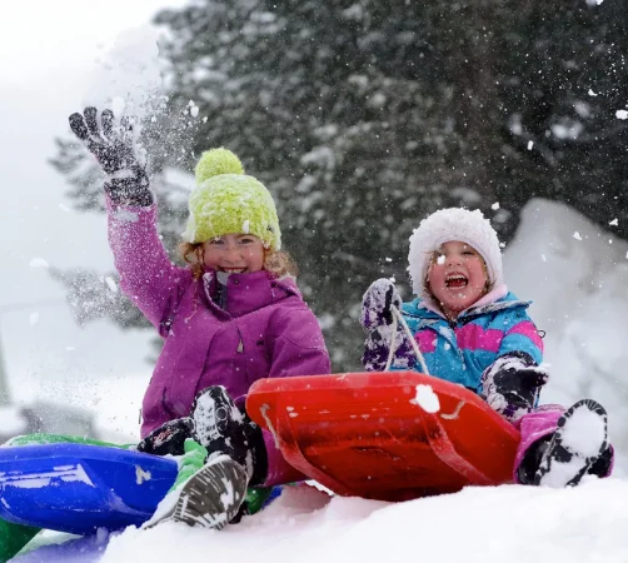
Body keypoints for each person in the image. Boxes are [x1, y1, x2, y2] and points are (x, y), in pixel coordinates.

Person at [0, 107, 331, 561]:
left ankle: (176, 535)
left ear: (267, 245)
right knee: (24, 458)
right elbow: (138, 268)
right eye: (217, 241)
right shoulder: (184, 299)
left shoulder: (288, 318)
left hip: (241, 464)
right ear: (198, 248)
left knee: (206, 459)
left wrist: (251, 453)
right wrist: (128, 193)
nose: (231, 253)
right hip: (158, 455)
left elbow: (300, 411)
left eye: (245, 240)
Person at [360, 207, 613, 488]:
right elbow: (385, 381)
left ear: (488, 272)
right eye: (440, 255)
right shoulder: (410, 327)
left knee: (546, 415)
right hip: (424, 433)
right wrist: (385, 334)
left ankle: (553, 458)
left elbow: (523, 347)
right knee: (373, 419)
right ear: (426, 278)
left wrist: (510, 373)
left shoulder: (509, 320)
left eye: (467, 252)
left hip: (493, 430)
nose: (453, 261)